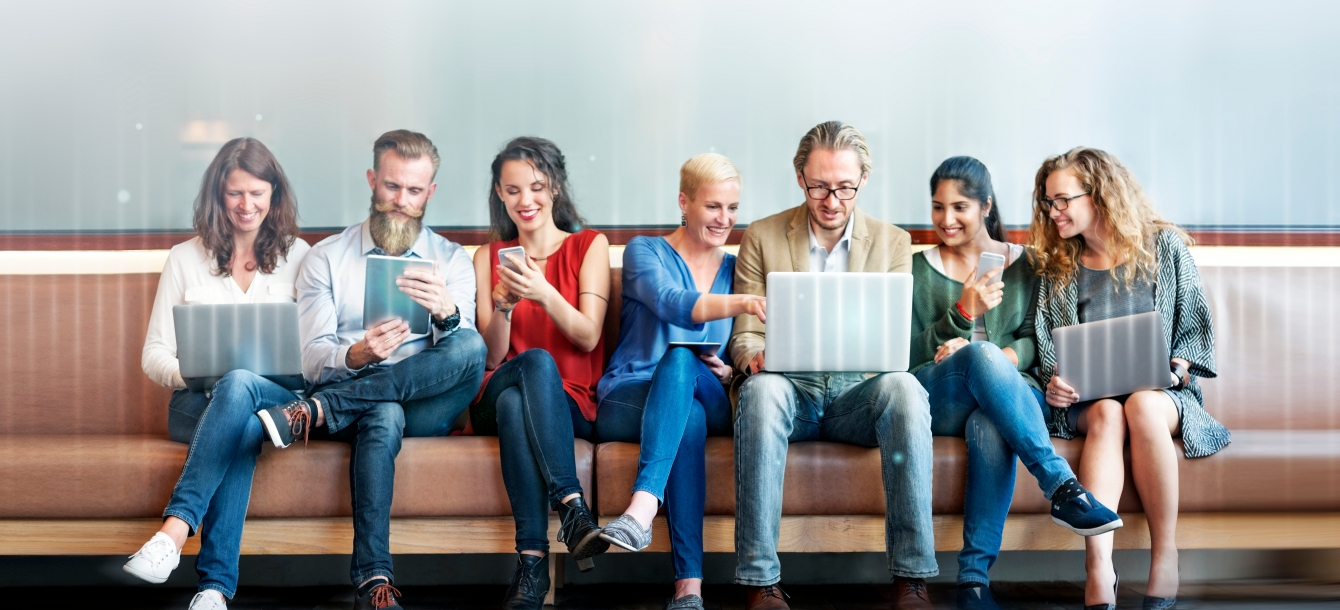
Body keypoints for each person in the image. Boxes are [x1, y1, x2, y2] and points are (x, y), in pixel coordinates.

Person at [259, 130, 487, 610]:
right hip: (361, 398)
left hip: (427, 405)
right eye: (391, 187)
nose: (401, 202)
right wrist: (359, 354)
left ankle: (315, 411)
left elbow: (463, 356)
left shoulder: (452, 260)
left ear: (431, 193)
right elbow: (312, 359)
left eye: (414, 191)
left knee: (469, 342)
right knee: (383, 412)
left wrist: (446, 314)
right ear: (371, 180)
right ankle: (372, 584)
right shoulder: (326, 258)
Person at [729, 121, 935, 610]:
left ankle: (911, 577)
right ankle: (760, 580)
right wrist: (752, 355)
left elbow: (892, 337)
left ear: (864, 178)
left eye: (844, 186)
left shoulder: (893, 243)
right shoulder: (761, 236)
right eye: (819, 185)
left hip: (856, 395)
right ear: (800, 176)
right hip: (788, 388)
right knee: (759, 392)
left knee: (905, 388)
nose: (832, 199)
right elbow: (744, 333)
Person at [909, 156, 1121, 610]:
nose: (947, 220)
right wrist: (962, 315)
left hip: (1010, 397)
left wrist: (1003, 356)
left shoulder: (1028, 265)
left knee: (991, 421)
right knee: (978, 356)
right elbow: (905, 355)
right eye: (937, 207)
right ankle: (1062, 487)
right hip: (942, 393)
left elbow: (1036, 340)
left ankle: (973, 583)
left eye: (960, 207)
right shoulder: (917, 269)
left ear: (986, 206)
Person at [1029, 147, 1228, 610]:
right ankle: (1099, 569)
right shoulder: (1059, 266)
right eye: (1048, 203)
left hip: (1161, 395)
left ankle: (1166, 556)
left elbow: (1195, 330)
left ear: (1098, 193)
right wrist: (1053, 383)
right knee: (1109, 411)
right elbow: (1048, 350)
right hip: (1090, 404)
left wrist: (1176, 368)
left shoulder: (1165, 247)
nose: (1053, 211)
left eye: (1062, 200)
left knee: (1139, 403)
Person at [126, 137, 310, 610]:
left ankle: (175, 535)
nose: (245, 206)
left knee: (242, 385)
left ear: (274, 194)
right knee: (237, 406)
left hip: (274, 401)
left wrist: (235, 379)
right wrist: (200, 375)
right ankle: (212, 590)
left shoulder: (301, 258)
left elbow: (317, 355)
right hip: (195, 404)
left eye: (257, 193)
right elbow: (154, 355)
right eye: (234, 194)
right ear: (217, 194)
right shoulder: (185, 258)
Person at [595, 153, 766, 610]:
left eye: (733, 208)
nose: (725, 219)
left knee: (686, 373)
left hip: (710, 393)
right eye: (713, 206)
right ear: (684, 203)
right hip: (631, 394)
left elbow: (742, 350)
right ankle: (688, 588)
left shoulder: (737, 269)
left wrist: (732, 371)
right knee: (682, 388)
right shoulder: (643, 251)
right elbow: (673, 304)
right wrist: (742, 303)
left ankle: (641, 508)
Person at [469, 136, 611, 610]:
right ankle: (572, 509)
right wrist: (505, 308)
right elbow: (491, 359)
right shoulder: (487, 257)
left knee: (522, 395)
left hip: (568, 400)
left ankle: (531, 566)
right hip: (497, 388)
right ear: (499, 193)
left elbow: (589, 337)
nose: (525, 201)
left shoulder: (589, 246)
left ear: (554, 187)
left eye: (536, 187)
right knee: (523, 371)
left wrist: (544, 292)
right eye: (512, 191)